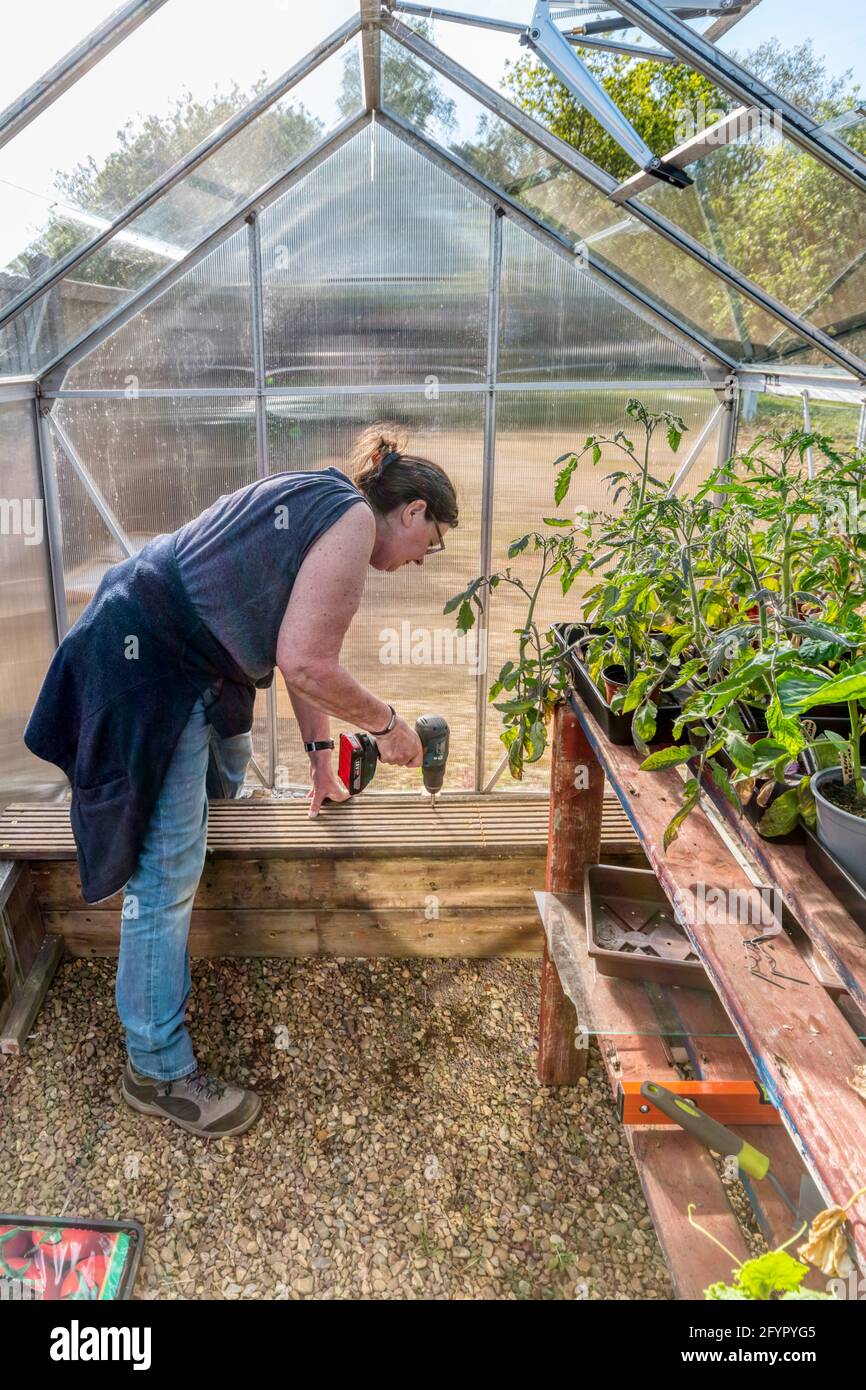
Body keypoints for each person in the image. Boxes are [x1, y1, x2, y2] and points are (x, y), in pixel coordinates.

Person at [23, 422, 458, 1139]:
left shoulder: (328, 498)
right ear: (412, 512)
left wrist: (323, 759)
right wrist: (388, 727)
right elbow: (307, 662)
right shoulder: (349, 522)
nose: (419, 562)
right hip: (152, 663)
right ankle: (156, 1070)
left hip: (176, 648)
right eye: (428, 545)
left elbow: (300, 652)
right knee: (165, 869)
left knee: (221, 800)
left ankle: (191, 961)